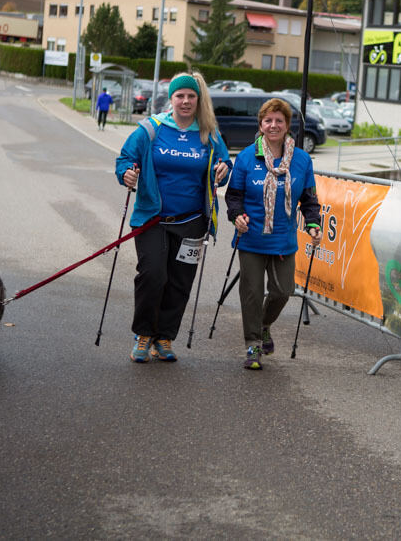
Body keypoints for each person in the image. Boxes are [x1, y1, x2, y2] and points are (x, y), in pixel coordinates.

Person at [115, 71, 231, 363]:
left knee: (180, 281)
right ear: (171, 98)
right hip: (152, 218)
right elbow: (125, 159)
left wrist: (223, 170)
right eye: (180, 95)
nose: (186, 101)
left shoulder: (208, 134)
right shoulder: (151, 129)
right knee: (153, 275)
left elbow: (225, 163)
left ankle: (164, 337)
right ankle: (143, 335)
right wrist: (127, 173)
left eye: (191, 96)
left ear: (198, 99)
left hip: (191, 220)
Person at [225, 97, 321, 370]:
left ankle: (264, 324)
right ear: (261, 124)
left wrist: (313, 224)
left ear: (287, 125)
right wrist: (237, 216)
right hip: (252, 237)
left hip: (283, 240)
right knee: (252, 293)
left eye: (279, 120)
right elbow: (234, 196)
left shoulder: (301, 160)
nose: (273, 125)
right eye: (268, 120)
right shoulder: (246, 156)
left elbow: (309, 199)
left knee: (283, 291)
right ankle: (252, 343)